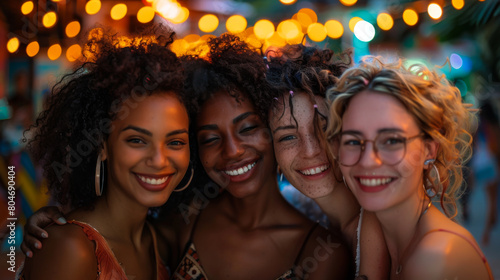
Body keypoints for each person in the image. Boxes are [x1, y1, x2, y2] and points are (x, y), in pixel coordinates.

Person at [20, 34, 351, 279]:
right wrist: (40, 230)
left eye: (248, 129)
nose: (232, 151)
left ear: (272, 131)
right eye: (209, 138)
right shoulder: (176, 229)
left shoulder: (322, 250)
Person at [18, 27, 192, 280]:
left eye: (175, 142)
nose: (159, 160)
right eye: (137, 140)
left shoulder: (160, 240)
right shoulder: (71, 248)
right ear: (102, 145)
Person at [326, 56, 493, 279]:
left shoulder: (435, 260)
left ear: (429, 150)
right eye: (354, 141)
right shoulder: (378, 228)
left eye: (392, 141)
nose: (367, 160)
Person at [263, 44, 390, 279]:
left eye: (324, 128)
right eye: (288, 137)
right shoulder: (298, 213)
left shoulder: (386, 221)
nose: (310, 151)